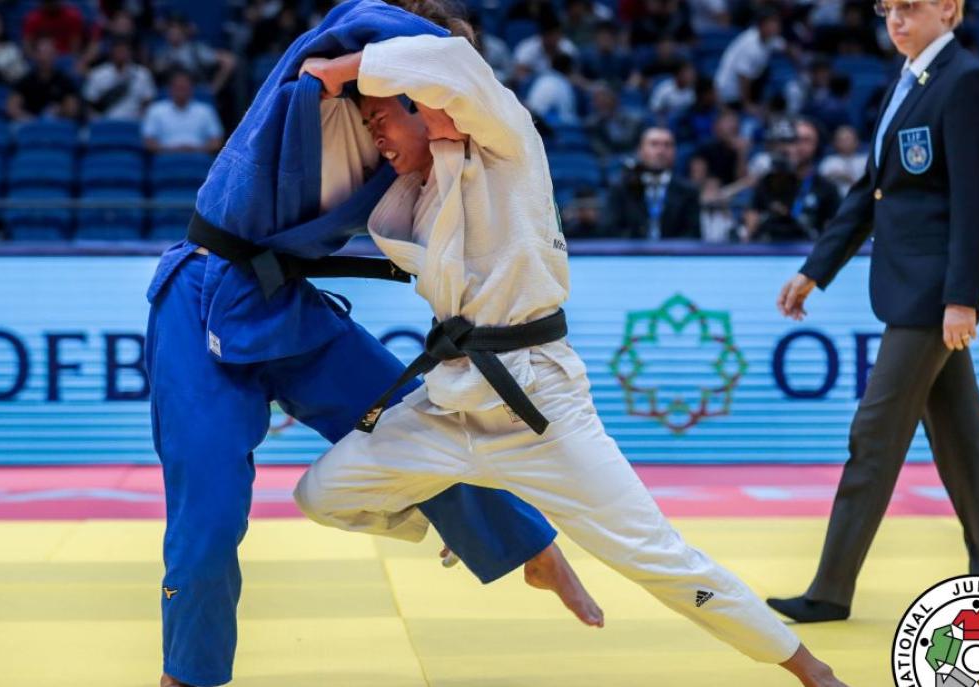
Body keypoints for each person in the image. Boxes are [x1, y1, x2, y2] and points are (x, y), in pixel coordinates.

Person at [294, 30, 848, 687]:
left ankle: (809, 667)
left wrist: (334, 67)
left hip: (539, 407)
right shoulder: (406, 189)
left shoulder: (506, 143)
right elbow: (337, 172)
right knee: (320, 493)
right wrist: (332, 99)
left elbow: (449, 65)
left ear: (422, 98)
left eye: (383, 116)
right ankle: (493, 527)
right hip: (448, 406)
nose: (377, 134)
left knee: (656, 556)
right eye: (370, 122)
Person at [147, 3, 598, 685]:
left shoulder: (414, 150)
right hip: (202, 296)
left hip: (283, 303)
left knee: (417, 416)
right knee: (207, 522)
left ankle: (527, 545)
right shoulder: (319, 71)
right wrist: (438, 51)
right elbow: (363, 19)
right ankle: (187, 675)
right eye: (439, 76)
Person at [768, 0, 979, 624]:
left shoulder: (968, 83)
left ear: (950, 9)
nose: (894, 18)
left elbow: (977, 202)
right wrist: (816, 269)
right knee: (965, 448)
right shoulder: (912, 79)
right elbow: (872, 192)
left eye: (909, 6)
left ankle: (830, 591)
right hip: (913, 291)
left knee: (873, 438)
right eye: (887, 7)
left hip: (932, 297)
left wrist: (962, 297)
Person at [744, 118, 841, 242]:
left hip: (809, 252)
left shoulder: (827, 188)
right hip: (769, 253)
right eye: (793, 141)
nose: (798, 146)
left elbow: (834, 235)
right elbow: (750, 229)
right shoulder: (767, 182)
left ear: (817, 146)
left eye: (806, 140)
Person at [601, 126, 702, 239]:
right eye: (654, 144)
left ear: (675, 152)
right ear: (640, 151)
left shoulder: (688, 191)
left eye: (667, 145)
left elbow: (693, 234)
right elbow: (610, 230)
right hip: (632, 255)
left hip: (674, 255)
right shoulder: (620, 188)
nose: (661, 151)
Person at [142, 69, 224, 154]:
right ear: (170, 89)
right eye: (178, 87)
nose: (181, 91)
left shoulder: (206, 111)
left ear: (191, 89)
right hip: (166, 157)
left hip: (198, 156)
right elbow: (148, 143)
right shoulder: (156, 110)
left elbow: (216, 142)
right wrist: (173, 150)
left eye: (184, 87)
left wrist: (196, 149)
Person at [7, 36, 81, 122]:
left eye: (49, 53)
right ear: (35, 55)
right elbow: (11, 108)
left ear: (55, 55)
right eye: (42, 52)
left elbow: (72, 109)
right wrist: (30, 119)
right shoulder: (25, 80)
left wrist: (60, 110)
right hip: (30, 124)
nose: (45, 57)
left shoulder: (64, 80)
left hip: (57, 123)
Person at [83, 39, 156, 120]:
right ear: (112, 52)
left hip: (133, 124)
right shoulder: (97, 74)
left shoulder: (142, 74)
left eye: (124, 51)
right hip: (105, 124)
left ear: (130, 53)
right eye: (118, 51)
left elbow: (148, 101)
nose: (121, 54)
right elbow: (90, 103)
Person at [819, 125, 868, 196]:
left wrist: (849, 179)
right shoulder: (828, 162)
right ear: (835, 143)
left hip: (861, 199)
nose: (845, 142)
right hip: (835, 201)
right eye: (841, 140)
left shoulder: (865, 160)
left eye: (848, 139)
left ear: (857, 141)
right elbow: (819, 183)